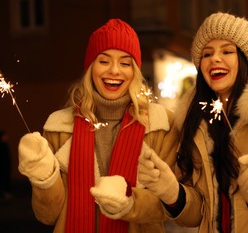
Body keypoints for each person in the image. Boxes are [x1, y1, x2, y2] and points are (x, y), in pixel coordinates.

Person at [138, 12, 248, 232]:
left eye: (227, 51)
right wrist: (172, 192)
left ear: (245, 59)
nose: (215, 58)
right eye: (207, 54)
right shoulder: (197, 125)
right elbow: (197, 215)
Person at [18, 19, 178, 232]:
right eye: (104, 61)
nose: (114, 70)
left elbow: (167, 206)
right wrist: (43, 179)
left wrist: (130, 203)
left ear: (135, 71)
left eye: (125, 63)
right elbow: (48, 216)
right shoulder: (59, 127)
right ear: (90, 68)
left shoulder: (161, 126)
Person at [0, 129, 12, 201]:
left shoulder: (5, 145)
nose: (7, 137)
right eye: (5, 135)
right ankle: (4, 193)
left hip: (5, 166)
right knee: (3, 180)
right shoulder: (3, 145)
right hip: (3, 166)